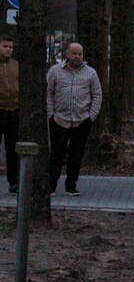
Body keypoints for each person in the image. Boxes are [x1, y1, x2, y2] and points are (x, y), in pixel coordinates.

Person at [46, 42, 102, 196]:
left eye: (80, 54)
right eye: (74, 53)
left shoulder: (91, 73)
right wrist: (50, 114)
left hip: (82, 120)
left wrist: (91, 116)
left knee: (76, 155)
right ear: (67, 54)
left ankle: (71, 185)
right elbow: (49, 92)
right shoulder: (55, 71)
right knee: (56, 154)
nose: (77, 56)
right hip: (59, 119)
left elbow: (97, 95)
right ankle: (51, 185)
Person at [0, 36, 19, 193]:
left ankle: (14, 182)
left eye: (10, 47)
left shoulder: (16, 65)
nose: (8, 49)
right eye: (5, 46)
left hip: (14, 111)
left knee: (13, 149)